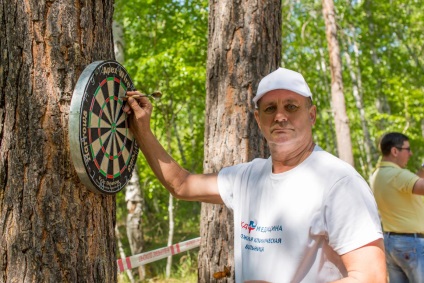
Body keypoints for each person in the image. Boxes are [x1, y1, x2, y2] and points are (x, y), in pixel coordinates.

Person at [123, 67, 386, 282]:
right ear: (258, 120)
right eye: (270, 109)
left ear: (312, 115)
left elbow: (372, 277)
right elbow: (181, 185)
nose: (280, 116)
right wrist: (142, 130)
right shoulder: (248, 177)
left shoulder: (339, 182)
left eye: (291, 107)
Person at [370, 132, 424, 282]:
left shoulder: (378, 175)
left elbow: (413, 182)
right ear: (395, 151)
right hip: (411, 244)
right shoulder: (397, 175)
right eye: (408, 149)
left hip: (391, 242)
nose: (411, 153)